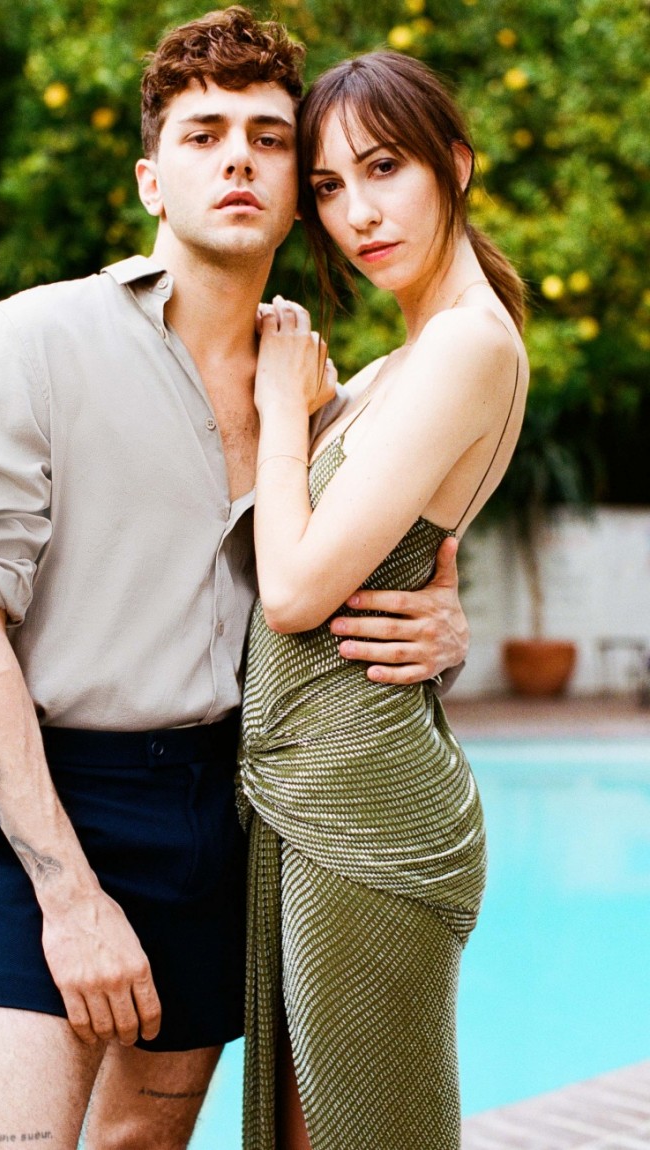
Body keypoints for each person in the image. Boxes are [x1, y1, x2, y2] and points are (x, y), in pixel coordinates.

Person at [0, 11, 470, 1150]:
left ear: (297, 187)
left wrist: (443, 624)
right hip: (57, 806)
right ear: (149, 180)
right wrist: (67, 897)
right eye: (203, 133)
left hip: (234, 806)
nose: (237, 158)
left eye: (269, 140)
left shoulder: (323, 391)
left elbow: (361, 579)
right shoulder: (33, 340)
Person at [239, 50, 529, 1150]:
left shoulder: (464, 342)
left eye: (382, 168)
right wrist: (313, 407)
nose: (356, 212)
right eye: (325, 186)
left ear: (452, 166)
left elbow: (297, 590)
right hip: (316, 786)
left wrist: (279, 413)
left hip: (369, 809)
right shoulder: (390, 367)